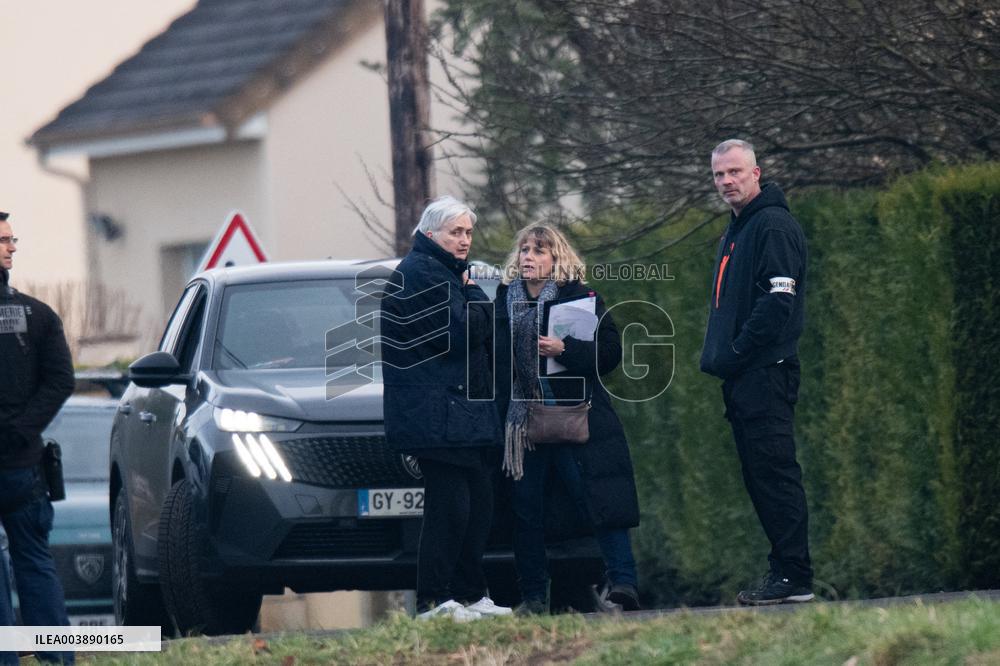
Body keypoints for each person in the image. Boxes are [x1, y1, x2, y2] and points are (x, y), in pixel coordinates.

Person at [495, 224, 640, 614]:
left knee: (598, 499)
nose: (528, 257)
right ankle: (533, 597)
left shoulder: (582, 298)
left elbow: (610, 353)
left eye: (539, 251)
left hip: (576, 416)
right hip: (523, 425)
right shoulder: (501, 301)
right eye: (524, 249)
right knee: (526, 512)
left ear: (556, 259)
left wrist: (567, 348)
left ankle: (623, 581)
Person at [380, 196, 510, 621]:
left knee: (478, 505)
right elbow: (459, 334)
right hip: (435, 416)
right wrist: (475, 293)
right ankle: (433, 601)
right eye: (456, 232)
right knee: (449, 508)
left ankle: (471, 595)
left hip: (460, 414)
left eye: (469, 232)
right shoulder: (421, 274)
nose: (464, 240)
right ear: (431, 233)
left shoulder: (445, 273)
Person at [699, 139, 814, 605]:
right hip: (745, 377)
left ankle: (794, 576)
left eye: (734, 172)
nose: (726, 181)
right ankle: (786, 571)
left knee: (775, 473)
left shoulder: (771, 224)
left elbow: (778, 302)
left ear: (756, 173)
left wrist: (738, 350)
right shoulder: (738, 228)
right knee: (760, 476)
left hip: (765, 371)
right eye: (718, 175)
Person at [0, 211, 75, 664]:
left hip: (20, 462)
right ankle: (57, 659)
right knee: (34, 563)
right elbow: (60, 380)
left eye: (12, 239)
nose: (11, 247)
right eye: (3, 240)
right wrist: (22, 429)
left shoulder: (40, 314)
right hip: (23, 465)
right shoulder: (38, 315)